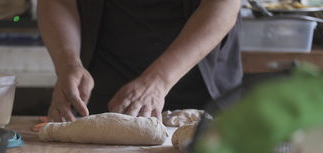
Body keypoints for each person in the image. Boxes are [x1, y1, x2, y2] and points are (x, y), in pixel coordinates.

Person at [37, 0, 243, 122]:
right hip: (104, 89)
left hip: (197, 85)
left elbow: (222, 5)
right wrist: (68, 63)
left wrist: (158, 80)